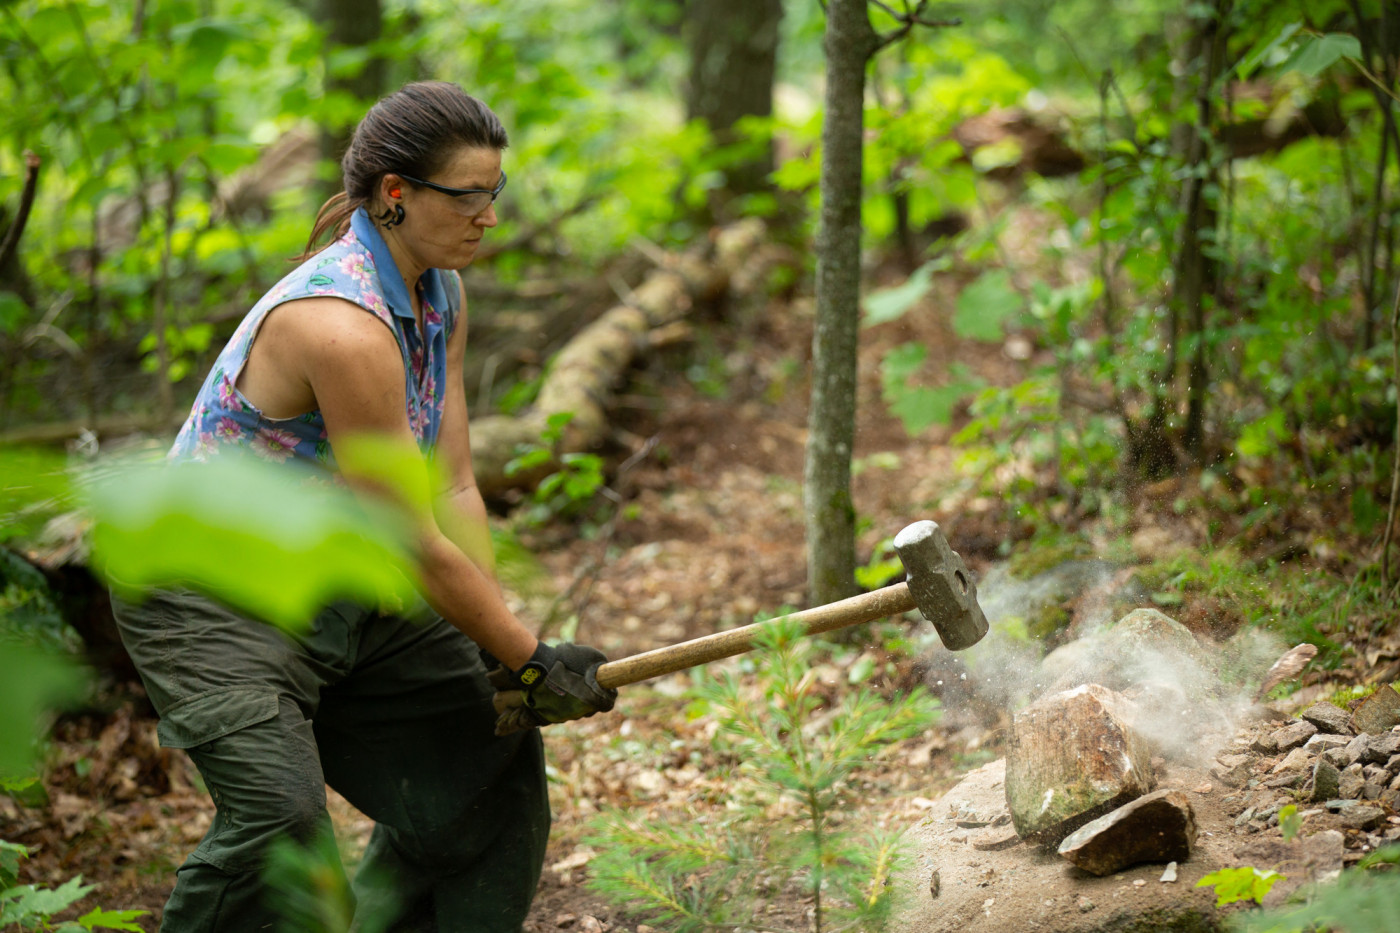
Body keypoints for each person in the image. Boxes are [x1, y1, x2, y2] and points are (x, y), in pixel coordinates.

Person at [110, 81, 616, 932]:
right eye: (470, 195)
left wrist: (495, 650)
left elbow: (451, 480)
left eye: (497, 192)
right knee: (281, 826)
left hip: (334, 576)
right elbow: (407, 533)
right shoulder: (340, 324)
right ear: (395, 195)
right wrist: (533, 654)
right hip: (206, 596)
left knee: (482, 757)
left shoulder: (440, 292)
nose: (489, 215)